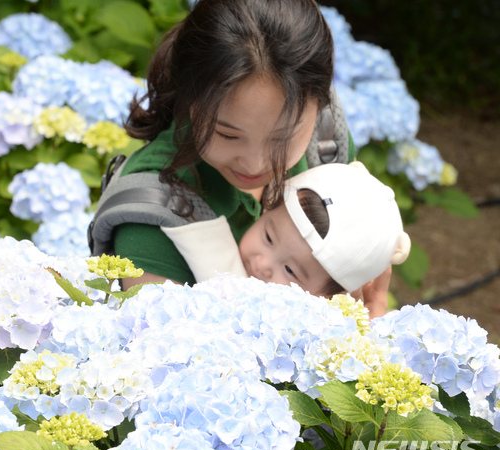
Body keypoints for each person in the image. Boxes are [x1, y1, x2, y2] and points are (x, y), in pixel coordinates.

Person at [94, 0, 395, 311]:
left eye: (283, 139)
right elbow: (167, 351)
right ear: (189, 99)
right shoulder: (151, 219)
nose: (255, 164)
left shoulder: (326, 143)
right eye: (228, 134)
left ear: (321, 105)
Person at [161, 162, 411, 299]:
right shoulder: (208, 246)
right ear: (268, 209)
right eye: (268, 237)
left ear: (330, 298)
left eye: (290, 270)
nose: (262, 263)